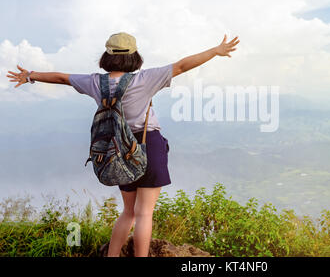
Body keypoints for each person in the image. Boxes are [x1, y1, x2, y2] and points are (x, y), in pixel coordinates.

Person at [6, 32, 240, 257]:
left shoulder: (96, 83)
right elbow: (181, 66)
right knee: (144, 213)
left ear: (107, 56)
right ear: (133, 56)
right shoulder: (145, 79)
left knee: (128, 212)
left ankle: (113, 255)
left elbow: (62, 78)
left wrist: (30, 75)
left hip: (116, 149)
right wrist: (215, 51)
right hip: (148, 144)